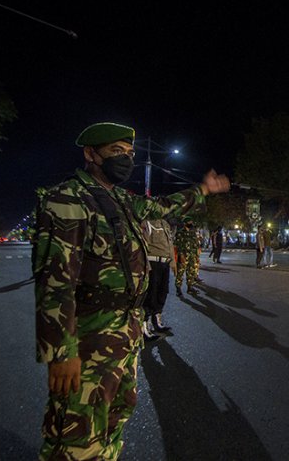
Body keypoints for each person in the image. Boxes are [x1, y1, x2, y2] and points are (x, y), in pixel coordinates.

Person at [33, 122, 230, 460]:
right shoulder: (68, 199)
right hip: (88, 336)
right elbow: (55, 282)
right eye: (115, 152)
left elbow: (164, 207)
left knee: (115, 416)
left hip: (124, 331)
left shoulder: (121, 199)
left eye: (129, 153)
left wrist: (203, 190)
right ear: (90, 154)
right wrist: (61, 353)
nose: (125, 159)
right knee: (77, 434)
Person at [141, 218, 174, 340]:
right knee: (150, 294)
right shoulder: (147, 222)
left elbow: (170, 245)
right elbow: (143, 244)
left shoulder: (165, 224)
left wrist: (173, 264)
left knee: (163, 292)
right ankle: (145, 326)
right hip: (152, 263)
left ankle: (157, 321)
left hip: (165, 263)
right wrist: (145, 265)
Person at [174, 217, 202, 297]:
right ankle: (178, 289)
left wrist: (197, 256)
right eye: (190, 222)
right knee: (180, 273)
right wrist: (181, 255)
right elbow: (177, 245)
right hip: (183, 256)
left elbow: (196, 245)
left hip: (192, 256)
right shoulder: (180, 233)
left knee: (191, 272)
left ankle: (190, 288)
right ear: (185, 223)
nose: (191, 223)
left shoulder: (193, 233)